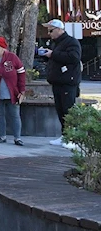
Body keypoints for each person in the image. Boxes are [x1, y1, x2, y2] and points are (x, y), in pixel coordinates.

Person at [41, 19, 82, 148]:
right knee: (60, 110)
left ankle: (72, 138)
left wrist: (53, 54)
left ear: (60, 29)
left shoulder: (71, 42)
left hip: (67, 82)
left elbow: (74, 57)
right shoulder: (57, 44)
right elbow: (56, 58)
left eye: (51, 30)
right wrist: (46, 54)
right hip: (58, 82)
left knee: (68, 110)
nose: (49, 33)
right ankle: (65, 135)